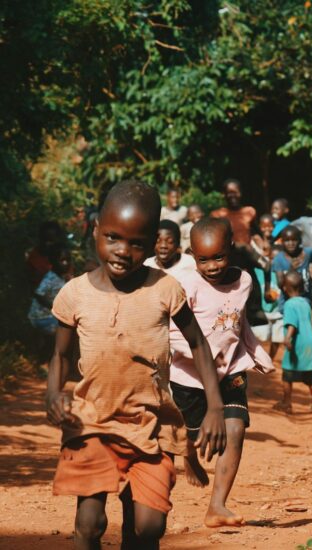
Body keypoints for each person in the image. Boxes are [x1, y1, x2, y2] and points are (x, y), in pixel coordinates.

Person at [46, 180, 226, 549]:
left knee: (147, 528)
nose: (122, 251)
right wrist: (53, 393)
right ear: (96, 230)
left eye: (137, 243)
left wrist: (216, 406)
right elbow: (61, 355)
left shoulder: (164, 289)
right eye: (112, 237)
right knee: (90, 523)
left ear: (151, 242)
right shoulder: (74, 293)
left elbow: (198, 343)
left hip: (150, 424)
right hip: (91, 421)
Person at [169, 217, 274, 528]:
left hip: (232, 369)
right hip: (189, 376)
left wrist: (256, 352)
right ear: (191, 255)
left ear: (231, 248)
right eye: (203, 259)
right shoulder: (185, 286)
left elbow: (238, 324)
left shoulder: (244, 281)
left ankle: (217, 505)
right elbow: (171, 333)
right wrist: (202, 355)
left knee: (235, 430)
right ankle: (188, 451)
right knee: (199, 436)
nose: (212, 266)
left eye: (218, 257)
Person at [275, 271, 312, 414]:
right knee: (310, 376)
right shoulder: (305, 303)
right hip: (310, 343)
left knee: (287, 373)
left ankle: (286, 402)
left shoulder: (289, 305)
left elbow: (292, 324)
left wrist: (287, 338)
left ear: (285, 288)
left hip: (296, 343)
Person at [272, 225, 312, 310]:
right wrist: (291, 269)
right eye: (287, 241)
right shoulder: (279, 259)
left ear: (300, 241)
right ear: (282, 242)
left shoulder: (307, 253)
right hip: (287, 303)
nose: (291, 244)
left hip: (306, 299)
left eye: (294, 240)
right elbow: (280, 284)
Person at [28, 245, 72, 336]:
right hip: (41, 317)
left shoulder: (62, 277)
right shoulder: (50, 278)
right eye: (62, 260)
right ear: (53, 262)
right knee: (67, 330)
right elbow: (39, 295)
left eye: (68, 260)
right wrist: (54, 307)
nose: (66, 263)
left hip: (51, 316)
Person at [252, 240, 283, 360]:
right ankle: (257, 357)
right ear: (268, 257)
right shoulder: (260, 272)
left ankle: (271, 358)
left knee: (278, 338)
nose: (275, 262)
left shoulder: (286, 273)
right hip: (263, 311)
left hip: (279, 312)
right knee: (262, 336)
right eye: (272, 258)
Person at [211, 179, 256, 244]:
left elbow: (255, 232)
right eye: (229, 193)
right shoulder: (217, 215)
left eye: (235, 192)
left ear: (241, 193)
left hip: (247, 253)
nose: (233, 196)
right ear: (224, 194)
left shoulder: (250, 211)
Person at [26, 221, 65, 287]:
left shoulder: (62, 252)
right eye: (47, 237)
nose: (49, 243)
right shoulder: (35, 252)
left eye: (52, 237)